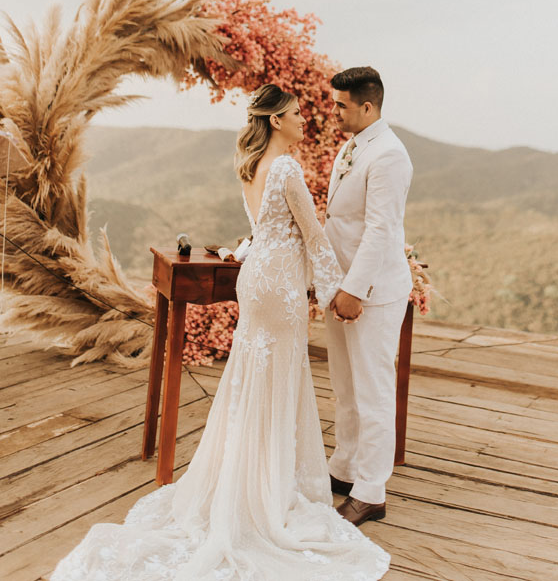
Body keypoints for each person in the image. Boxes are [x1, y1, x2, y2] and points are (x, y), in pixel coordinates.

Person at [51, 84, 390, 581]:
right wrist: (337, 292)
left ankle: (248, 476)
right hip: (280, 287)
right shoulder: (286, 168)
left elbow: (266, 228)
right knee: (277, 380)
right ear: (276, 120)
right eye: (297, 113)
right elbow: (313, 235)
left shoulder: (250, 164)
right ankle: (267, 488)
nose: (304, 120)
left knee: (252, 378)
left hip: (257, 280)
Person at [324, 67, 413, 526]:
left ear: (367, 105)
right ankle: (345, 467)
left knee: (373, 391)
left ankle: (371, 492)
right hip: (340, 285)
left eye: (341, 105)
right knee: (345, 385)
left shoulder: (390, 155)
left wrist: (354, 290)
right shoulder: (353, 144)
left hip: (371, 293)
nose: (334, 112)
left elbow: (380, 230)